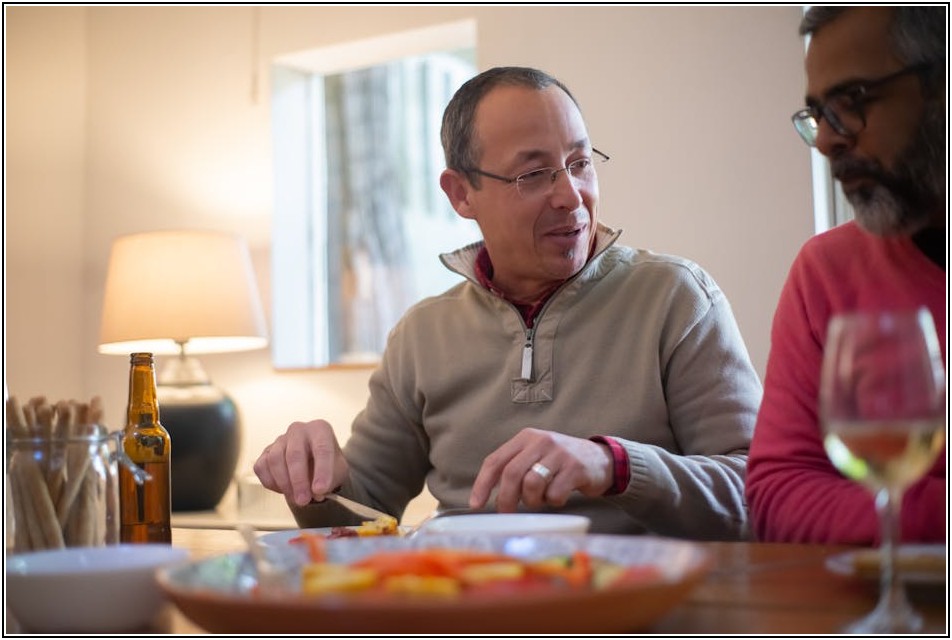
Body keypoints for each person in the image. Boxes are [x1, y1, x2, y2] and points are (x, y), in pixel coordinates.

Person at [255, 66, 762, 540]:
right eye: (534, 175)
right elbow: (363, 515)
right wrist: (314, 478)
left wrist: (613, 465)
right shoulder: (421, 335)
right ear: (460, 194)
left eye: (580, 164)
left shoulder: (676, 298)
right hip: (468, 609)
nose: (571, 195)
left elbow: (760, 494)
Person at [746, 6, 946, 544]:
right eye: (818, 114)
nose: (827, 141)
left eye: (853, 101)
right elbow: (779, 492)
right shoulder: (827, 272)